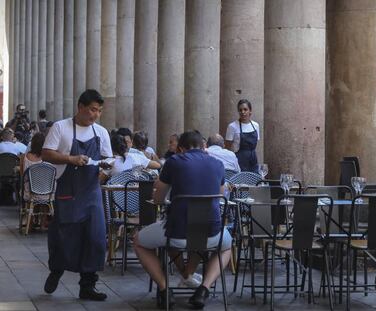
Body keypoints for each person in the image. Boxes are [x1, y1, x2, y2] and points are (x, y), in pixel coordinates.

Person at [133, 130, 232, 309]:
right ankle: (204, 288)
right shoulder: (218, 164)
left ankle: (164, 288)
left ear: (180, 149)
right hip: (210, 230)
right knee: (226, 247)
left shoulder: (174, 161)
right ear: (204, 147)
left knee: (138, 241)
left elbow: (158, 198)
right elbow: (220, 194)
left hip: (177, 231)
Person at [42, 89, 113, 301]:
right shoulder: (60, 127)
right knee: (64, 236)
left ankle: (88, 285)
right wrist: (71, 159)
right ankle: (56, 270)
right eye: (92, 109)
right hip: (67, 192)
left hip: (91, 193)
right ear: (80, 107)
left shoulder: (101, 132)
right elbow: (46, 153)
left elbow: (108, 159)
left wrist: (104, 171)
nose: (95, 114)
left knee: (95, 238)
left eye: (99, 111)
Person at [225, 99, 260, 172]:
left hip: (253, 160)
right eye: (240, 110)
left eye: (245, 109)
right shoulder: (232, 126)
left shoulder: (256, 125)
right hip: (238, 161)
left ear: (250, 111)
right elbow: (228, 147)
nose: (242, 112)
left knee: (254, 181)